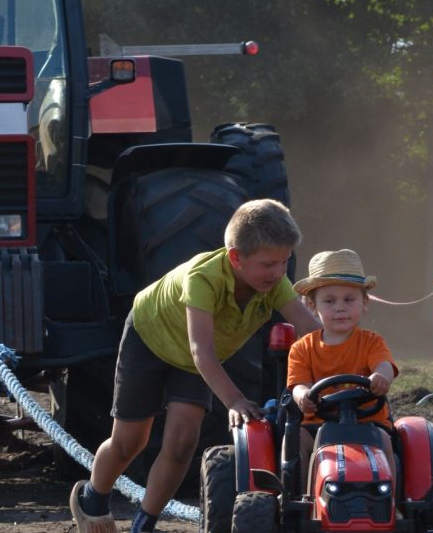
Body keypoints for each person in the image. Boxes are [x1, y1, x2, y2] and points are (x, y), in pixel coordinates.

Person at [70, 199, 322, 533]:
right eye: (268, 264)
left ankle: (143, 525)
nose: (278, 272)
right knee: (130, 442)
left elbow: (311, 329)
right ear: (236, 258)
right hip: (151, 338)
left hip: (192, 362)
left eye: (285, 262)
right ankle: (92, 498)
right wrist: (234, 401)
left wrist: (354, 354)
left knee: (182, 442)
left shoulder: (274, 284)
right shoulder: (202, 278)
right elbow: (200, 349)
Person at [287, 248, 398, 493]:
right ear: (311, 305)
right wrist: (303, 396)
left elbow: (384, 365)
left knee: (385, 441)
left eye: (349, 299)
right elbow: (298, 384)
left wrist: (381, 376)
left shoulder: (372, 342)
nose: (340, 308)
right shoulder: (302, 348)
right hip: (318, 422)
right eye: (329, 301)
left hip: (367, 420)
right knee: (298, 439)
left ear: (365, 303)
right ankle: (304, 497)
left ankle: (392, 500)